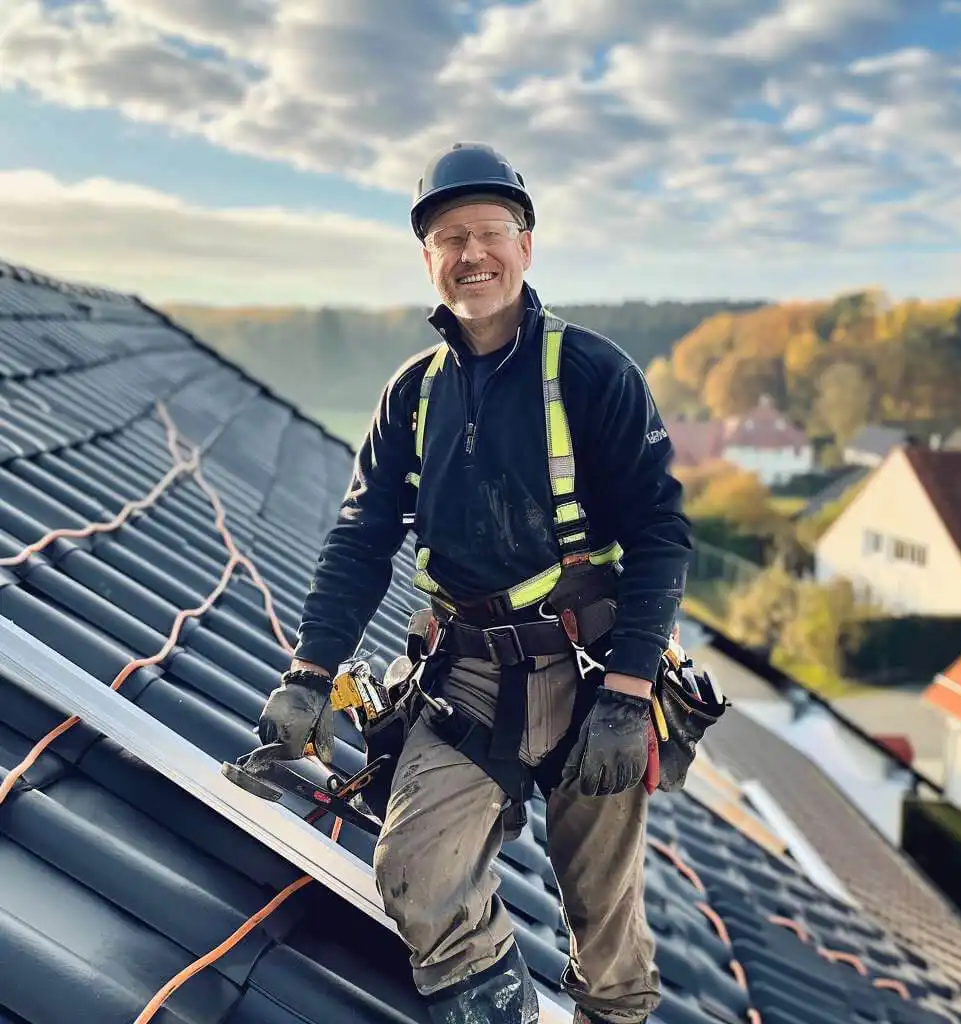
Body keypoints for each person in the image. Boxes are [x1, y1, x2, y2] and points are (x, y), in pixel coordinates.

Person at [258, 142, 693, 1024]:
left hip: (588, 669)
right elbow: (360, 538)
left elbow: (659, 534)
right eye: (449, 237)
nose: (473, 254)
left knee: (605, 930)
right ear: (429, 258)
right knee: (416, 875)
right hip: (465, 674)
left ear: (526, 246)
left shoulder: (592, 374)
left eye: (490, 232)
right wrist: (309, 675)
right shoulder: (412, 394)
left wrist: (628, 694)